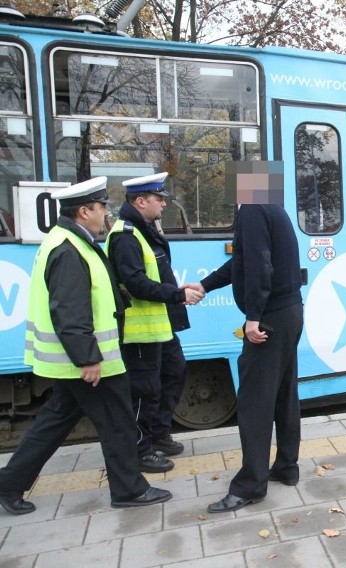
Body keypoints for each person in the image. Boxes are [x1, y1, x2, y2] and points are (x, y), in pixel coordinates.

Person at [0, 177, 171, 515]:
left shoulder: (70, 241)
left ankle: (8, 484)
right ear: (83, 211)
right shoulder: (68, 249)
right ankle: (129, 490)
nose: (106, 212)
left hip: (75, 361)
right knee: (119, 422)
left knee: (55, 421)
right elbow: (69, 310)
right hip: (90, 361)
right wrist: (87, 359)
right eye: (101, 206)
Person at [199, 203, 304, 513]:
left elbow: (259, 265)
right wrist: (205, 285)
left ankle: (251, 485)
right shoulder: (271, 206)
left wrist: (253, 318)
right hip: (289, 312)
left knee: (254, 402)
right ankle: (286, 466)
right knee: (284, 394)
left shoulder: (253, 209)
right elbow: (241, 262)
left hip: (271, 316)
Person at [106, 172, 204, 473]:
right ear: (140, 201)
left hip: (160, 325)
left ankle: (159, 432)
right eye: (158, 198)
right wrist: (177, 294)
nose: (163, 203)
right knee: (144, 390)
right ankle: (140, 449)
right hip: (139, 330)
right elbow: (135, 284)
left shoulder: (144, 229)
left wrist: (175, 293)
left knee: (175, 372)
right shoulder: (125, 236)